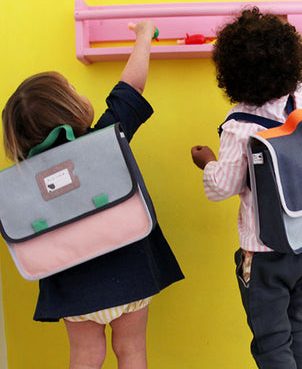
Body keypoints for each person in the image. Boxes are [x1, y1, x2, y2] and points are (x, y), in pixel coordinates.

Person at [2, 21, 184, 369]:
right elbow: (132, 87)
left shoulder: (25, 183)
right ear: (69, 109)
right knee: (131, 350)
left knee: (86, 356)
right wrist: (144, 36)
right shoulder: (106, 140)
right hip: (130, 274)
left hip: (74, 288)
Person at [191, 8, 302, 369]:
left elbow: (223, 186)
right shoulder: (298, 99)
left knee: (272, 343)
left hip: (265, 254)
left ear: (229, 75)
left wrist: (207, 162)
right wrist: (291, 34)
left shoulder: (239, 128)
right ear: (290, 62)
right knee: (296, 329)